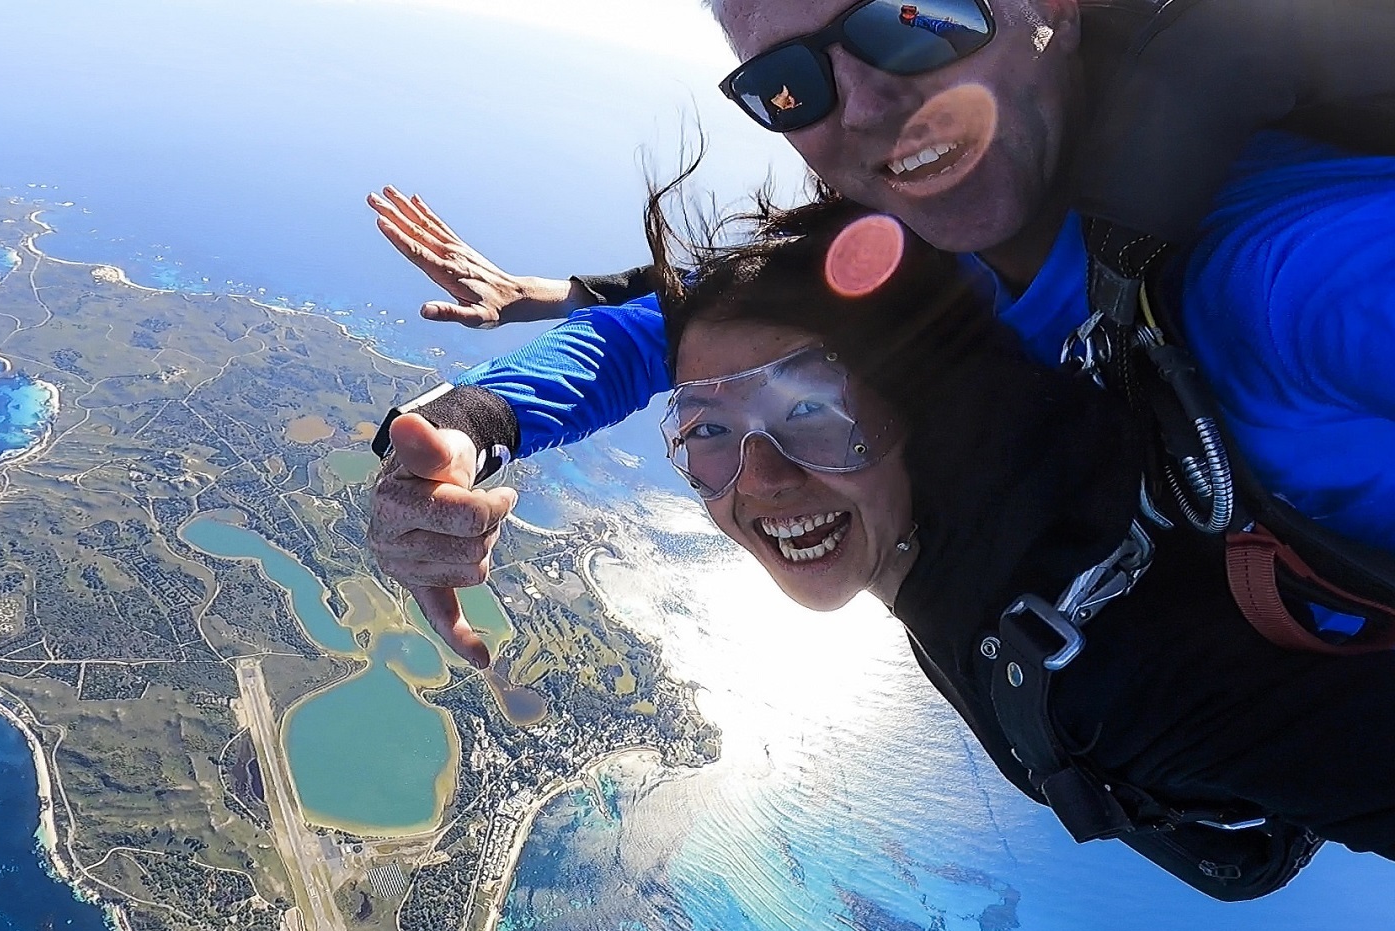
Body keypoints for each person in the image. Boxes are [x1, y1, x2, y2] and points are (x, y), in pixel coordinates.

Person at [364, 0, 1395, 666]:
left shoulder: (1293, 275)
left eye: (913, 17)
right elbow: (657, 336)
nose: (862, 103)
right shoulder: (933, 254)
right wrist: (461, 431)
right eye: (787, 86)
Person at [622, 187, 1395, 892]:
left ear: (906, 395)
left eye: (809, 411)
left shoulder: (1110, 671)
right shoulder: (962, 481)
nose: (758, 478)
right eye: (708, 433)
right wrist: (501, 414)